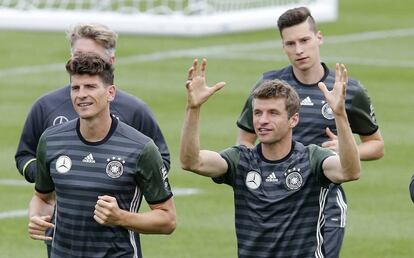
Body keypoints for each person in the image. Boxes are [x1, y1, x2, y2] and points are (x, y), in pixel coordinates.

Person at [236, 7, 384, 257]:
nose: (299, 50)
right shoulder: (269, 87)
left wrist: (349, 149)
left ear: (319, 38)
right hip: (276, 201)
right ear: (283, 47)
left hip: (326, 203)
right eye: (290, 43)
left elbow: (377, 145)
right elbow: (244, 141)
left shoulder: (347, 90)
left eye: (304, 40)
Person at [180, 58, 360, 258]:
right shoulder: (241, 160)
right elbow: (192, 161)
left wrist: (340, 114)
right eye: (258, 113)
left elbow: (350, 171)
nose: (262, 121)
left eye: (273, 113)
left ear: (293, 120)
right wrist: (193, 109)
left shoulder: (312, 159)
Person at [28, 53, 176, 258]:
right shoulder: (51, 140)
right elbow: (42, 197)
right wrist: (36, 216)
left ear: (110, 93)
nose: (81, 94)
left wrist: (120, 217)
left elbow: (168, 220)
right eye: (75, 88)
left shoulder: (141, 148)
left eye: (90, 87)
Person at [15, 23, 170, 184]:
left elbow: (161, 160)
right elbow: (25, 155)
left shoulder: (134, 110)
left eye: (92, 56)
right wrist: (51, 176)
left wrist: (120, 179)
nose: (84, 61)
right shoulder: (46, 106)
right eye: (78, 55)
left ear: (111, 61)